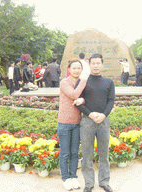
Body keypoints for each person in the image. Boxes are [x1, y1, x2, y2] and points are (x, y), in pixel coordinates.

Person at [77, 53, 115, 192]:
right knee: (87, 153)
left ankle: (104, 181)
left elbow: (111, 100)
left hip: (104, 121)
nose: (96, 65)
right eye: (93, 63)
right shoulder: (83, 82)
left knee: (104, 153)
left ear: (102, 64)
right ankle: (89, 183)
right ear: (89, 64)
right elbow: (78, 101)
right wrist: (89, 113)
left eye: (98, 63)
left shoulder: (108, 82)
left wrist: (104, 115)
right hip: (87, 121)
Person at [57, 58, 88, 191]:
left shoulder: (81, 83)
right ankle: (65, 178)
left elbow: (85, 97)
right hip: (64, 123)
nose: (76, 70)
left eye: (79, 68)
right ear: (69, 69)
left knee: (75, 152)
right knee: (65, 152)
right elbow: (75, 94)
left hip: (77, 122)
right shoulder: (64, 82)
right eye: (74, 68)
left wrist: (84, 99)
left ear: (81, 70)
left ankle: (73, 176)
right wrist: (84, 81)